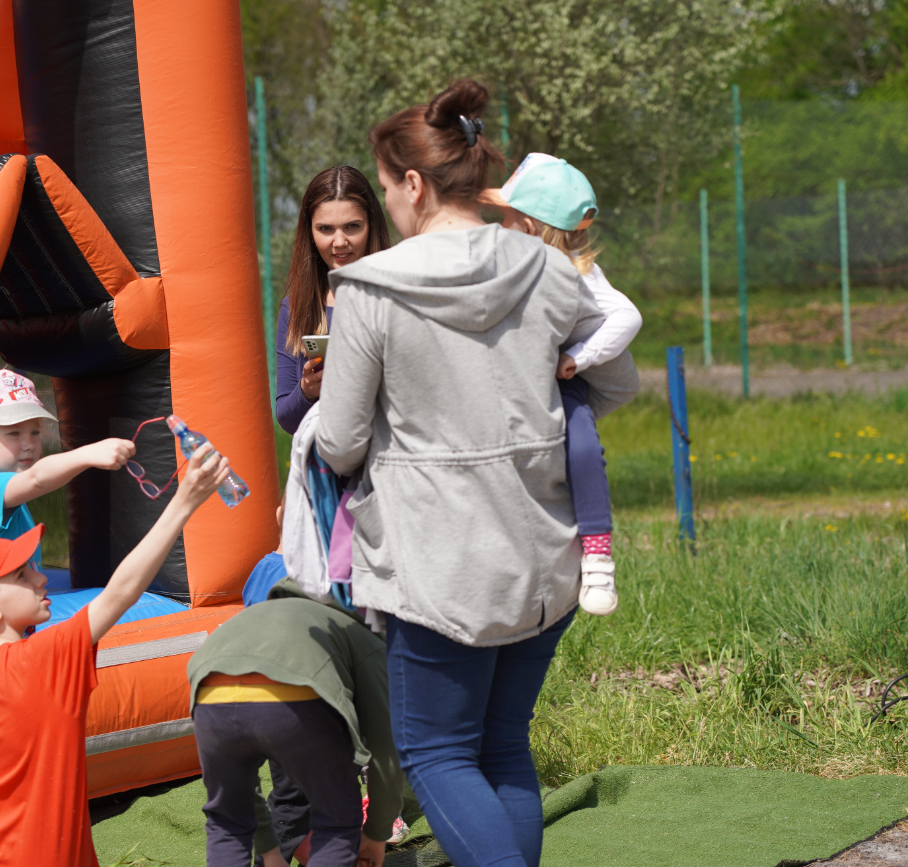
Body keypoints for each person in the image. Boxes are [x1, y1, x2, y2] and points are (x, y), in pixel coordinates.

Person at [314, 80, 639, 867]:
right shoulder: (548, 267)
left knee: (436, 753)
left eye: (386, 188)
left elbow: (341, 442)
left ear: (414, 184)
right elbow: (616, 381)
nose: (388, 205)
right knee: (501, 744)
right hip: (543, 550)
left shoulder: (367, 290)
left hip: (438, 566)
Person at [0, 444, 230, 866]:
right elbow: (121, 592)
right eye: (22, 574)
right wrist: (184, 501)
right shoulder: (40, 660)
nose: (41, 577)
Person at [479, 153, 643, 616]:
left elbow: (628, 316)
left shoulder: (577, 270)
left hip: (560, 380)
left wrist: (578, 357)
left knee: (582, 444)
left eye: (508, 218)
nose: (500, 226)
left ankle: (598, 558)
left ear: (531, 228)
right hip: (514, 380)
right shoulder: (505, 261)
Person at [0, 368, 136, 716]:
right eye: (13, 432)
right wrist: (89, 454)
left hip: (2, 629)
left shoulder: (6, 496)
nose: (28, 443)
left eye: (35, 432)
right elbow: (39, 479)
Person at [187, 578, 404, 867]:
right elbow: (387, 746)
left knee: (228, 822)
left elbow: (241, 793)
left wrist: (269, 852)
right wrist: (377, 832)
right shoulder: (360, 633)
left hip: (209, 694)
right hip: (295, 703)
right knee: (336, 823)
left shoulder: (257, 616)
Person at [275, 167, 391, 435]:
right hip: (327, 456)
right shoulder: (295, 307)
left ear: (371, 226)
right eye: (325, 229)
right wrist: (307, 390)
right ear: (310, 232)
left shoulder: (398, 294)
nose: (340, 242)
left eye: (352, 226)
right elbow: (286, 419)